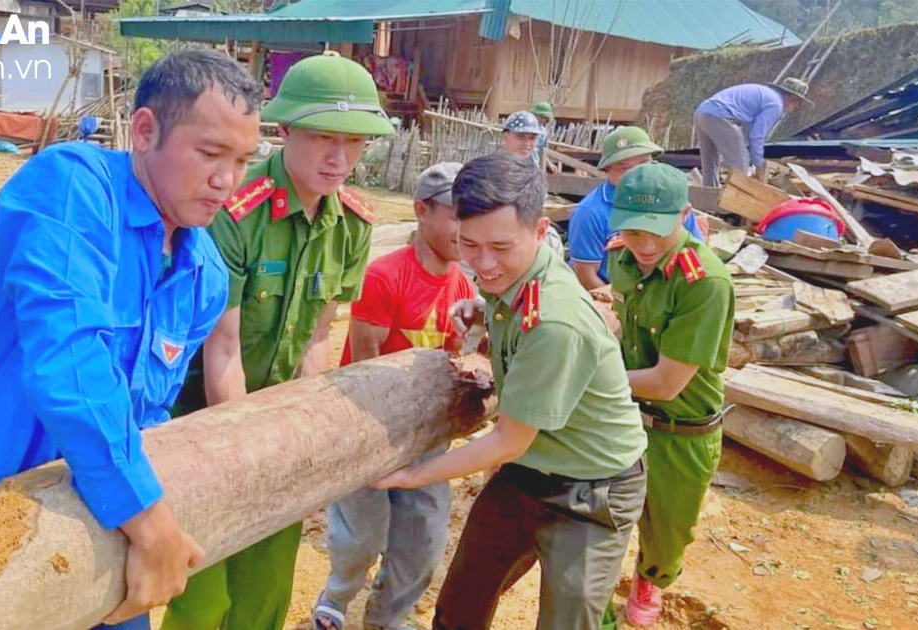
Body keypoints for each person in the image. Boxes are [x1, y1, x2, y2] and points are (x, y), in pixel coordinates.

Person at [0, 50, 264, 630]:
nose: (226, 180)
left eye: (241, 160)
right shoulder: (71, 189)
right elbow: (69, 364)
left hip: (86, 531)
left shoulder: (203, 274)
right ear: (144, 130)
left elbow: (145, 418)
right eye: (209, 153)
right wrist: (152, 523)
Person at [161, 52, 394, 630]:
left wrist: (297, 442)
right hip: (204, 426)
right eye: (322, 138)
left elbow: (319, 337)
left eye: (355, 142)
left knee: (264, 594)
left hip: (278, 428)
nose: (339, 158)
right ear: (284, 130)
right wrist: (251, 457)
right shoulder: (235, 213)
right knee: (203, 597)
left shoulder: (354, 225)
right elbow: (224, 350)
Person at [374, 153, 648, 630]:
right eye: (469, 244)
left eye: (500, 247)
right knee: (461, 606)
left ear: (541, 232)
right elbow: (510, 305)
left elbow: (509, 439)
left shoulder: (556, 321)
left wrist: (415, 474)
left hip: (592, 490)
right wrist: (482, 311)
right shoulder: (516, 277)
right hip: (529, 470)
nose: (483, 263)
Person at [313, 163, 476, 630]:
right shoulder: (385, 277)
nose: (463, 229)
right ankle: (338, 595)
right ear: (421, 211)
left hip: (427, 437)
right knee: (361, 536)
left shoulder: (462, 285)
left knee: (423, 541)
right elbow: (367, 364)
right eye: (454, 215)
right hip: (371, 428)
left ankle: (385, 618)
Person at [603, 163, 735, 627]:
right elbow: (621, 313)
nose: (644, 245)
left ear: (685, 215)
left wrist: (587, 375)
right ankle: (595, 601)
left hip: (682, 430)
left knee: (667, 532)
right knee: (598, 520)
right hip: (623, 417)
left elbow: (666, 383)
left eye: (656, 231)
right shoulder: (621, 258)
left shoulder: (704, 282)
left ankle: (649, 579)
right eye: (633, 230)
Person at [567, 126, 705, 291]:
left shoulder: (671, 201)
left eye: (643, 164)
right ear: (607, 171)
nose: (636, 174)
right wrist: (620, 307)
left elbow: (697, 253)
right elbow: (586, 275)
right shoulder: (590, 212)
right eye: (624, 168)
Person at [694, 77, 813, 186]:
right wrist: (759, 165)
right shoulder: (775, 104)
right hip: (720, 115)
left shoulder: (767, 94)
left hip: (702, 112)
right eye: (797, 104)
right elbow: (757, 136)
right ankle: (734, 203)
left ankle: (708, 196)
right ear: (792, 98)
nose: (795, 108)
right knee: (740, 163)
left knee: (710, 162)